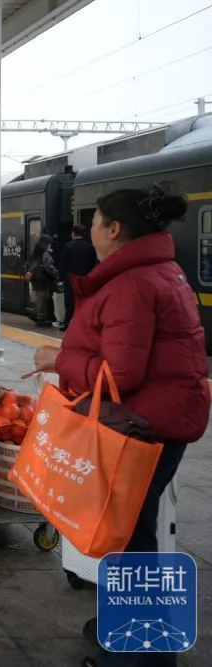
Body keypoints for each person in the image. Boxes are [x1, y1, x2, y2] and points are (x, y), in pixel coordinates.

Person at [26, 186, 210, 667]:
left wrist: (58, 360)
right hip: (158, 420)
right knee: (133, 532)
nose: (89, 231)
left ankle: (142, 654)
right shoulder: (160, 271)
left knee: (132, 540)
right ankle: (126, 628)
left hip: (144, 427)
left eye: (94, 222)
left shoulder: (132, 284)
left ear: (114, 229)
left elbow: (120, 375)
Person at [56, 224, 97, 329]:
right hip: (85, 280)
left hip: (70, 281)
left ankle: (69, 325)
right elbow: (93, 265)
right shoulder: (90, 248)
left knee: (70, 303)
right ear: (84, 234)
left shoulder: (68, 246)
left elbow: (63, 265)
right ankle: (83, 325)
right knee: (84, 303)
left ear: (73, 233)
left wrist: (60, 278)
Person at [26, 234, 59, 327]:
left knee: (39, 297)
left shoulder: (36, 250)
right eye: (50, 243)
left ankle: (35, 313)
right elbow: (47, 265)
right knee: (43, 298)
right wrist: (56, 272)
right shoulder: (45, 252)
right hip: (42, 278)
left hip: (35, 277)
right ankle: (40, 318)